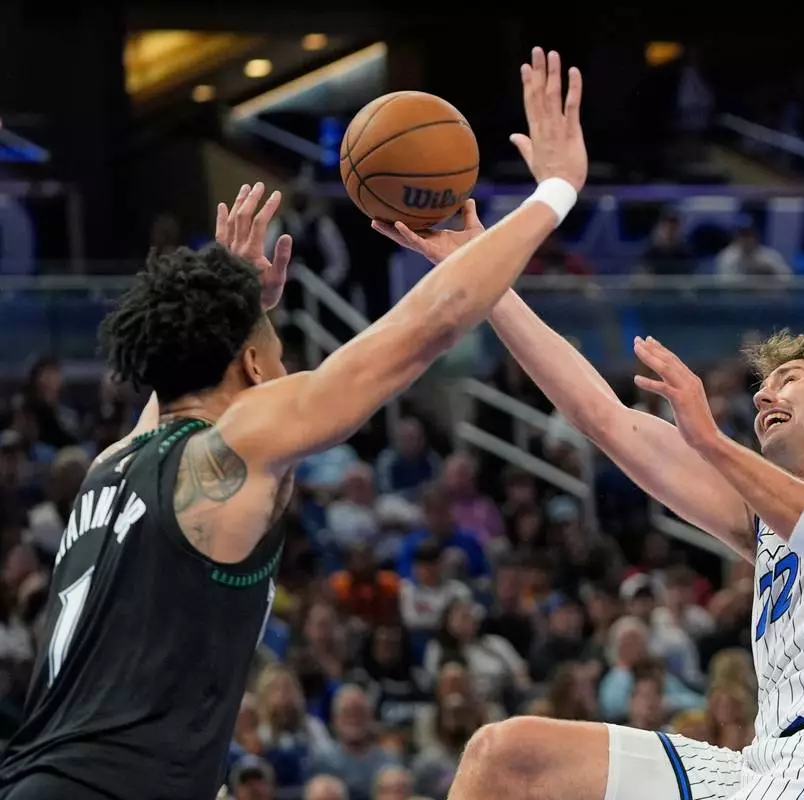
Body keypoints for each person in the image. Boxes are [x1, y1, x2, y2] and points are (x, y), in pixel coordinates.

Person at [0, 45, 587, 800]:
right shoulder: (232, 444)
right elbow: (428, 325)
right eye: (278, 353)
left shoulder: (111, 464)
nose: (287, 373)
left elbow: (175, 377)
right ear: (250, 366)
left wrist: (234, 295)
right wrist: (555, 192)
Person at [376, 226, 804, 797]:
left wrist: (711, 440)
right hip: (765, 760)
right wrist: (485, 273)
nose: (763, 395)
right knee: (505, 755)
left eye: (788, 380)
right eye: (763, 387)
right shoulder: (762, 515)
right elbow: (603, 416)